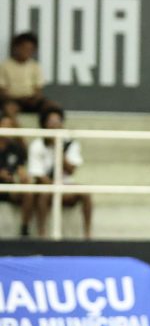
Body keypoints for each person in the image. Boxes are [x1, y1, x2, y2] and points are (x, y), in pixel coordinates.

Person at [27, 107, 92, 239]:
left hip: (66, 185)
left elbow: (71, 170)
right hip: (47, 186)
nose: (55, 125)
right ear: (44, 124)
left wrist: (58, 147)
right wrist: (56, 188)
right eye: (51, 122)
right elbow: (38, 175)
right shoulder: (37, 145)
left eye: (58, 122)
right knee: (44, 194)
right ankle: (42, 233)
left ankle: (87, 234)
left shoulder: (70, 143)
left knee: (85, 193)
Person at [0, 32, 49, 116]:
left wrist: (33, 99)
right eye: (24, 48)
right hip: (11, 100)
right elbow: (2, 90)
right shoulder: (4, 66)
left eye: (30, 49)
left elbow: (38, 89)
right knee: (9, 106)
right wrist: (15, 98)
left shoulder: (35, 66)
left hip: (30, 100)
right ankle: (14, 122)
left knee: (49, 105)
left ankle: (54, 123)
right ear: (16, 48)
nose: (26, 52)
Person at [0, 114, 34, 236]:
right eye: (5, 125)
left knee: (28, 192)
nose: (8, 128)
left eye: (11, 126)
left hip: (9, 187)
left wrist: (23, 177)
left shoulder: (16, 148)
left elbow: (20, 168)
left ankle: (24, 229)